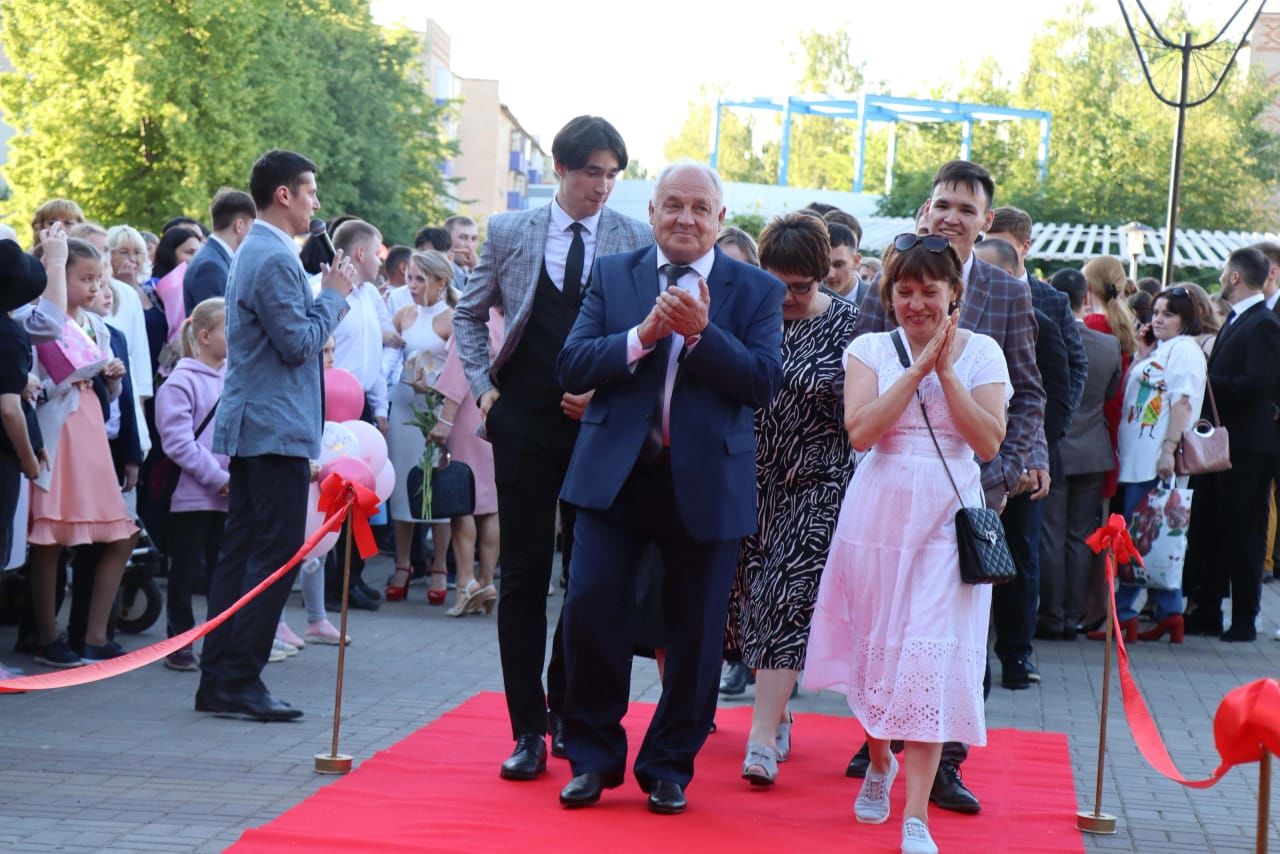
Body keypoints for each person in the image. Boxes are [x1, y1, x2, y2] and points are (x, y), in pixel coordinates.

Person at [555, 161, 784, 814]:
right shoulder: (614, 275)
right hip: (614, 481)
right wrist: (643, 336)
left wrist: (701, 335)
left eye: (699, 208)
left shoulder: (755, 291)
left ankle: (668, 767)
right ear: (651, 212)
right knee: (591, 616)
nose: (685, 218)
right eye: (672, 205)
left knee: (696, 635)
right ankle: (593, 758)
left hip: (707, 482)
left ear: (720, 218)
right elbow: (571, 364)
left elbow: (763, 383)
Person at [452, 115, 652, 780]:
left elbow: (648, 339)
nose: (602, 186)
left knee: (591, 576)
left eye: (612, 174)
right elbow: (468, 312)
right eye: (592, 171)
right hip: (524, 419)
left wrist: (609, 392)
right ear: (562, 170)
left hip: (599, 422)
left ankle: (568, 708)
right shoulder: (510, 230)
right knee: (523, 574)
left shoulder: (633, 237)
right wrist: (484, 393)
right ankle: (527, 729)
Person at [846, 161, 1044, 815]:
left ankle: (944, 766)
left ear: (986, 219)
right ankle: (878, 743)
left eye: (965, 207)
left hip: (969, 490)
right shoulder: (884, 283)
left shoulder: (1008, 292)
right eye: (941, 205)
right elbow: (861, 395)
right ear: (924, 212)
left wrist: (1008, 471)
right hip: (887, 495)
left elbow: (1029, 391)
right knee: (884, 625)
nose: (950, 216)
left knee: (950, 638)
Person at [805, 233, 1009, 854]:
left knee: (928, 657)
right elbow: (862, 432)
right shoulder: (869, 349)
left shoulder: (983, 354)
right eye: (905, 291)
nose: (916, 303)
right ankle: (877, 761)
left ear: (955, 295)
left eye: (930, 292)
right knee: (880, 657)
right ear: (890, 293)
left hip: (950, 521)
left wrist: (944, 372)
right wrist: (917, 368)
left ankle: (915, 815)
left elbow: (988, 442)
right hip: (878, 517)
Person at [196, 149, 356, 721]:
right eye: (310, 190)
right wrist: (335, 293)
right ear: (283, 195)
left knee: (243, 555)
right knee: (269, 557)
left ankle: (221, 678)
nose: (317, 201)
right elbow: (297, 343)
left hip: (263, 427)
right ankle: (238, 680)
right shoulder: (270, 255)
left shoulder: (264, 250)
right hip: (273, 430)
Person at [729, 212, 857, 787]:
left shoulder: (853, 327)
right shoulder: (742, 317)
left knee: (785, 595)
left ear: (823, 274)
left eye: (802, 287)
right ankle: (776, 713)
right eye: (777, 285)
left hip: (817, 484)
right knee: (751, 602)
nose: (788, 298)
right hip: (747, 482)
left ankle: (758, 740)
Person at [28, 237, 139, 666]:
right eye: (85, 278)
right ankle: (47, 635)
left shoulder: (94, 325)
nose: (94, 288)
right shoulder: (39, 318)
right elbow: (37, 380)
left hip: (91, 431)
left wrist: (110, 377)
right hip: (61, 433)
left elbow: (108, 389)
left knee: (121, 531)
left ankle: (93, 633)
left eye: (98, 278)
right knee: (51, 537)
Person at [972, 237, 1072, 689]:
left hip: (1020, 461)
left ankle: (1016, 652)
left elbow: (1049, 395)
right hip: (969, 458)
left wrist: (1036, 455)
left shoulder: (1040, 321)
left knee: (1017, 558)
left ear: (1011, 275)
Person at [1097, 286, 1207, 644]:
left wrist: (1168, 450)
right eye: (1156, 312)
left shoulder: (1186, 352)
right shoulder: (1165, 350)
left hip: (1153, 463)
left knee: (1142, 538)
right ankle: (1167, 610)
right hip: (1137, 460)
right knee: (1151, 538)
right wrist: (1146, 354)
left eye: (1168, 314)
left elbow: (1183, 404)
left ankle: (1129, 612)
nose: (1158, 319)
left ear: (1186, 319)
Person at [1184, 248, 1280, 642]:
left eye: (1225, 272)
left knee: (1243, 530)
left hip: (1247, 448)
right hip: (1224, 445)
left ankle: (1243, 617)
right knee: (1212, 526)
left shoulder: (1263, 324)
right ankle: (1207, 610)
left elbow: (1261, 383)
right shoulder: (1240, 320)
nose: (1221, 278)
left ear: (1236, 277)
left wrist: (1211, 380)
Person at [1038, 269, 1122, 640]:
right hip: (1093, 449)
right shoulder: (1108, 345)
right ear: (1084, 297)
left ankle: (1052, 615)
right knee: (1080, 536)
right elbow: (1109, 395)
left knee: (1051, 535)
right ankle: (1072, 615)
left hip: (1056, 447)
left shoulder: (1041, 334)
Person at [322, 219, 392, 612]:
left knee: (361, 495)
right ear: (361, 253)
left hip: (362, 402)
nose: (383, 259)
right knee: (334, 496)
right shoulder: (332, 291)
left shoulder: (367, 296)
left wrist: (379, 406)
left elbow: (375, 355)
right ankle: (331, 583)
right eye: (378, 250)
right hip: (334, 405)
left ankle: (352, 577)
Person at [155, 298, 228, 671]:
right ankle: (179, 641)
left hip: (230, 495)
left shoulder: (236, 377)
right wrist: (218, 478)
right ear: (204, 335)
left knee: (224, 572)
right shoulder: (180, 382)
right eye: (228, 328)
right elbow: (179, 442)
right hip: (192, 496)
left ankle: (220, 641)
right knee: (184, 571)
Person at [384, 249, 455, 605]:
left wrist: (437, 389)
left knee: (436, 487)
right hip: (404, 407)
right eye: (409, 277)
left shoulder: (451, 319)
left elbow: (459, 370)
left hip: (436, 410)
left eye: (419, 279)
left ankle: (440, 565)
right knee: (403, 486)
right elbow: (391, 360)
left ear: (441, 282)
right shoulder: (403, 315)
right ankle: (402, 563)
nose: (411, 285)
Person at [429, 302, 504, 617]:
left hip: (468, 412)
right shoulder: (507, 316)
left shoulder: (476, 317)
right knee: (490, 504)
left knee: (463, 502)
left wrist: (444, 420)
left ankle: (465, 584)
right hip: (495, 413)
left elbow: (459, 372)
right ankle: (487, 582)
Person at [183, 189, 257, 314]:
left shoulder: (215, 258)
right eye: (253, 226)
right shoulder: (210, 266)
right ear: (239, 225)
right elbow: (218, 324)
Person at [824, 222, 867, 305]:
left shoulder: (881, 301)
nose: (830, 274)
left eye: (838, 265)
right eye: (823, 265)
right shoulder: (803, 302)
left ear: (856, 261)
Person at [444, 214, 479, 287]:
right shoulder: (440, 274)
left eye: (474, 238)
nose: (470, 245)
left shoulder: (472, 272)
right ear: (446, 240)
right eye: (463, 237)